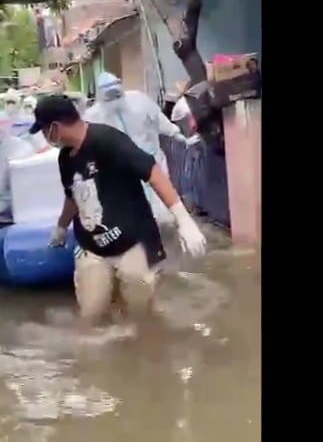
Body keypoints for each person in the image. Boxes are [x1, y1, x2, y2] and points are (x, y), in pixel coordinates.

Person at [28, 95, 207, 330]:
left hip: (133, 243)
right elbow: (73, 195)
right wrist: (61, 228)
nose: (43, 137)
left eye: (42, 130)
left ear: (54, 128)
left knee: (142, 317)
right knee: (91, 317)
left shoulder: (107, 141)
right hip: (92, 247)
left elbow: (152, 172)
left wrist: (183, 220)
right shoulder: (65, 159)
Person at [85, 72, 199, 227]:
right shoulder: (94, 116)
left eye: (117, 95)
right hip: (121, 169)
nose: (115, 101)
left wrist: (177, 134)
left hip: (152, 162)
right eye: (110, 97)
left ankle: (165, 230)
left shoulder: (139, 101)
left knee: (161, 204)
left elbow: (159, 120)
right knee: (133, 210)